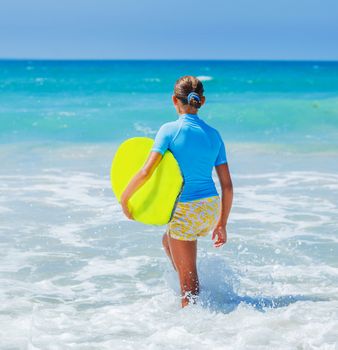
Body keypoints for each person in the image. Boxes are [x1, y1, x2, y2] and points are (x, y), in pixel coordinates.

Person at [121, 76, 233, 308]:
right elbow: (227, 185)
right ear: (201, 101)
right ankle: (191, 283)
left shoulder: (169, 130)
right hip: (211, 207)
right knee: (167, 241)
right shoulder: (214, 134)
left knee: (189, 285)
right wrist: (222, 223)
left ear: (174, 100)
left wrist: (125, 199)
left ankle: (192, 319)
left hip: (187, 209)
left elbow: (146, 172)